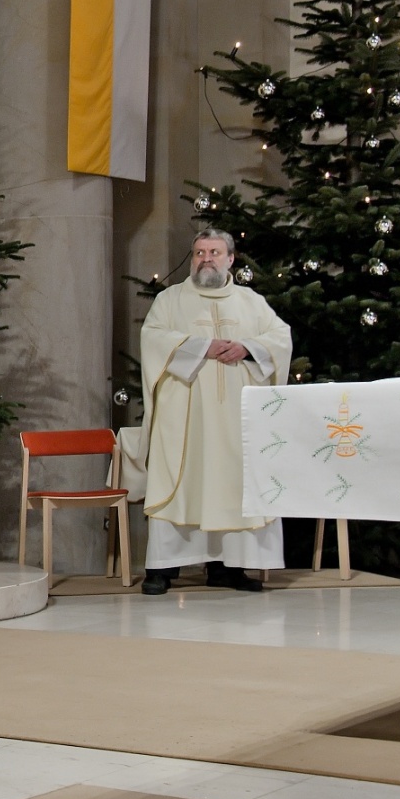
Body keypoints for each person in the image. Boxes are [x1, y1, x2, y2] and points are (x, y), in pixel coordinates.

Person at [139, 228, 293, 595]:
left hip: (237, 418)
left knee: (233, 485)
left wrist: (248, 347)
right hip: (185, 416)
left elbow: (280, 337)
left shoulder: (251, 301)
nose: (206, 259)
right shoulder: (170, 300)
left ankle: (228, 568)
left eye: (214, 252)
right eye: (199, 252)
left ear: (230, 259)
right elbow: (152, 337)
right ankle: (162, 569)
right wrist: (201, 347)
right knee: (180, 482)